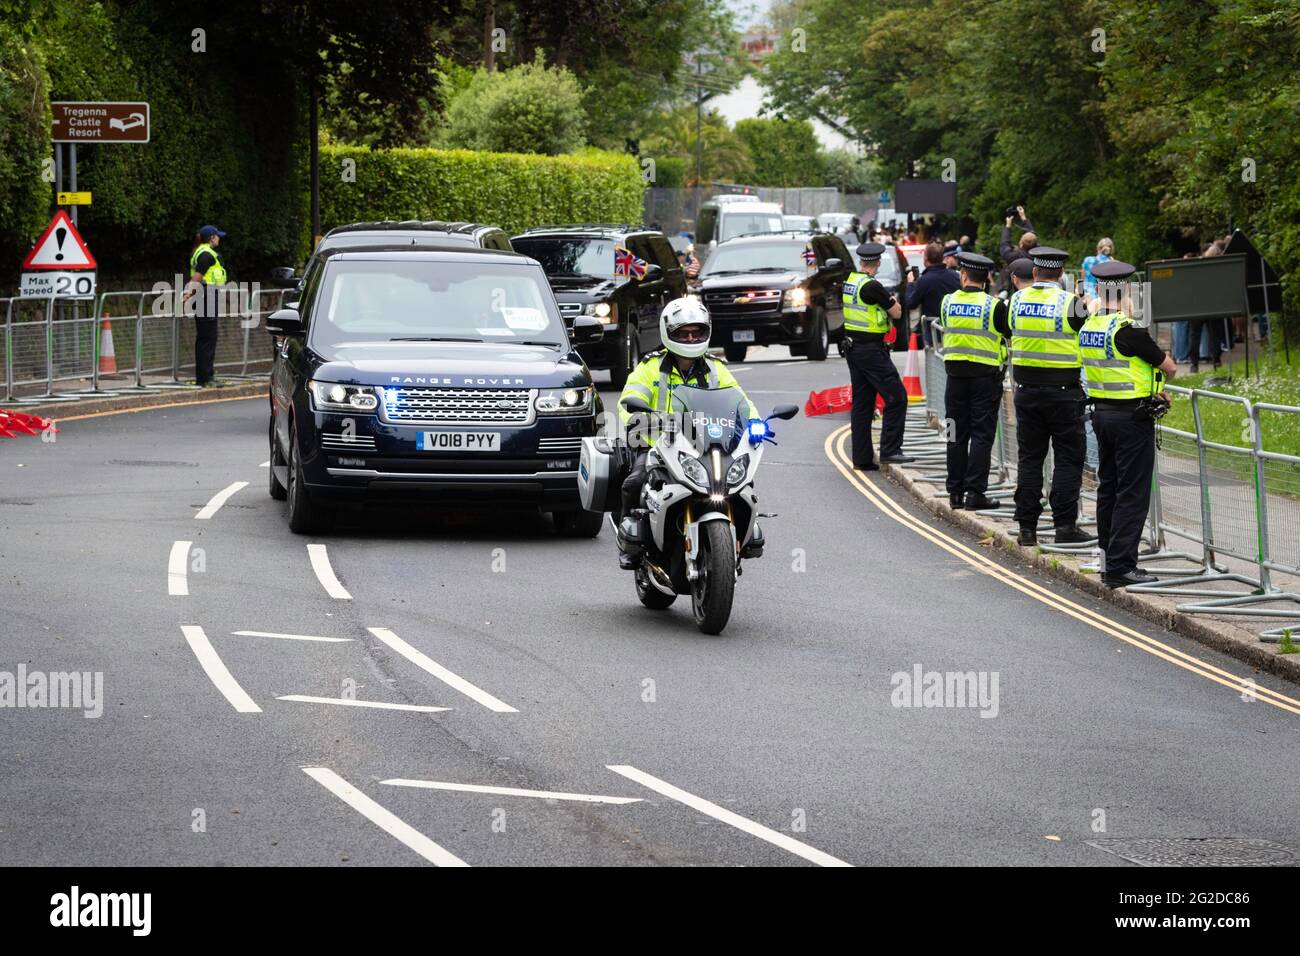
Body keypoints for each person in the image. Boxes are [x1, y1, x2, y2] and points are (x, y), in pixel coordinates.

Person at [615, 296, 756, 569]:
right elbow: (628, 401)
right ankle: (629, 538)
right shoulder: (650, 367)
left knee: (742, 483)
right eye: (683, 333)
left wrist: (754, 422)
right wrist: (639, 419)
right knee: (635, 481)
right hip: (658, 444)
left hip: (706, 444)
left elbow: (741, 401)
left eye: (696, 332)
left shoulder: (717, 369)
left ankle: (742, 542)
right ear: (669, 333)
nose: (690, 338)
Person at [1079, 260, 1178, 587]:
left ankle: (1108, 560)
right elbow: (1170, 366)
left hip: (1101, 416)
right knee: (1132, 493)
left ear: (1099, 289)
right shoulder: (1129, 330)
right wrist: (1158, 387)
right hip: (1131, 419)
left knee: (1108, 487)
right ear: (1127, 291)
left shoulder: (1090, 325)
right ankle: (1123, 566)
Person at [994, 246, 1093, 546]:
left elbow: (1005, 330)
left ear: (1035, 272)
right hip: (1064, 394)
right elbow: (1087, 334)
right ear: (1061, 273)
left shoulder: (1014, 301)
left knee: (1030, 459)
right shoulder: (1072, 304)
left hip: (1026, 392)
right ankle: (1064, 526)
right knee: (1068, 459)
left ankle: (1027, 529)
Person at [939, 252, 1008, 511]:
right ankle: (975, 493)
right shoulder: (994, 306)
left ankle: (954, 493)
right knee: (981, 435)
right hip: (984, 379)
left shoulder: (947, 302)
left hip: (954, 379)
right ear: (987, 278)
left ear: (963, 275)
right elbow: (1005, 334)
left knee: (954, 432)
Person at [843, 242, 913, 470]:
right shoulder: (872, 287)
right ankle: (890, 450)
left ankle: (862, 458)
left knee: (863, 404)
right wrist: (897, 299)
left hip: (854, 349)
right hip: (872, 351)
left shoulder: (851, 282)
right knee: (897, 397)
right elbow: (897, 312)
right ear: (878, 263)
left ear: (861, 261)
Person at [185, 224, 229, 388]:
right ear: (212, 237)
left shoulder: (202, 252)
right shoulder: (206, 255)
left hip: (206, 296)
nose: (219, 239)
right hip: (206, 296)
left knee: (206, 337)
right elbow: (197, 278)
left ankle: (205, 376)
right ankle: (205, 378)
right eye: (218, 236)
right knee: (208, 338)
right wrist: (187, 293)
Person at [906, 241, 960, 346]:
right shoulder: (956, 277)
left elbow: (911, 303)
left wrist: (911, 284)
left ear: (925, 259)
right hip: (954, 331)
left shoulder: (924, 280)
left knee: (934, 360)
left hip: (933, 334)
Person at [998, 206, 1037, 293]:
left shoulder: (1013, 257)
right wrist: (1023, 217)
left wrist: (1008, 226)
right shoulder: (1039, 257)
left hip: (1015, 291)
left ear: (1021, 244)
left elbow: (1005, 244)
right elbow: (1032, 236)